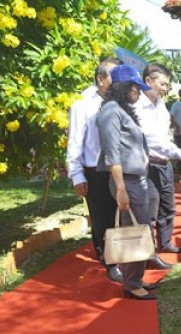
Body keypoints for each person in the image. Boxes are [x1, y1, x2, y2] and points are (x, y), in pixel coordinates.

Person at [95, 65, 160, 301]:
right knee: (136, 230)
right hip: (127, 182)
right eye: (135, 88)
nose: (138, 92)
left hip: (136, 179)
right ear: (123, 87)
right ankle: (132, 284)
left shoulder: (121, 110)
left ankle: (136, 278)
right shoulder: (111, 112)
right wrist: (121, 188)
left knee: (141, 228)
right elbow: (112, 154)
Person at [66, 56, 124, 283]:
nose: (119, 80)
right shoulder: (82, 106)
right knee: (103, 218)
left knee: (121, 214)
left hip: (119, 167)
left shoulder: (119, 102)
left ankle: (121, 253)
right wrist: (77, 175)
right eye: (114, 75)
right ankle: (110, 262)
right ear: (101, 79)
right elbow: (75, 142)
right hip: (96, 171)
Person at [135, 63, 181, 256]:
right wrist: (177, 152)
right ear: (148, 81)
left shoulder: (161, 105)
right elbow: (150, 138)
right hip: (148, 164)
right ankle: (148, 252)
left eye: (167, 85)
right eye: (162, 83)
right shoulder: (137, 106)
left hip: (165, 163)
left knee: (168, 207)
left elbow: (165, 134)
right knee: (150, 210)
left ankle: (166, 242)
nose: (165, 88)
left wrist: (173, 153)